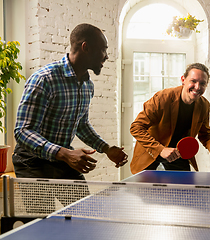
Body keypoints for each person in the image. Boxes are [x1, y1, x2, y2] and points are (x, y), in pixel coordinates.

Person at [13, 23, 128, 181]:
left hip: (62, 157)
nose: (106, 56)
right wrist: (65, 153)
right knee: (44, 207)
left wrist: (106, 149)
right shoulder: (44, 79)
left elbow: (81, 124)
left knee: (84, 206)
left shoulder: (87, 85)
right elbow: (23, 131)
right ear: (85, 47)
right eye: (103, 49)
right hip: (31, 161)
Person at [130, 63, 210, 174]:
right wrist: (160, 150)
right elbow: (136, 127)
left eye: (202, 83)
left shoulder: (204, 105)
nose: (198, 87)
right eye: (193, 81)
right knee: (144, 190)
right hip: (152, 151)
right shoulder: (162, 98)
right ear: (183, 79)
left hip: (178, 154)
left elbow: (204, 133)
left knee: (185, 189)